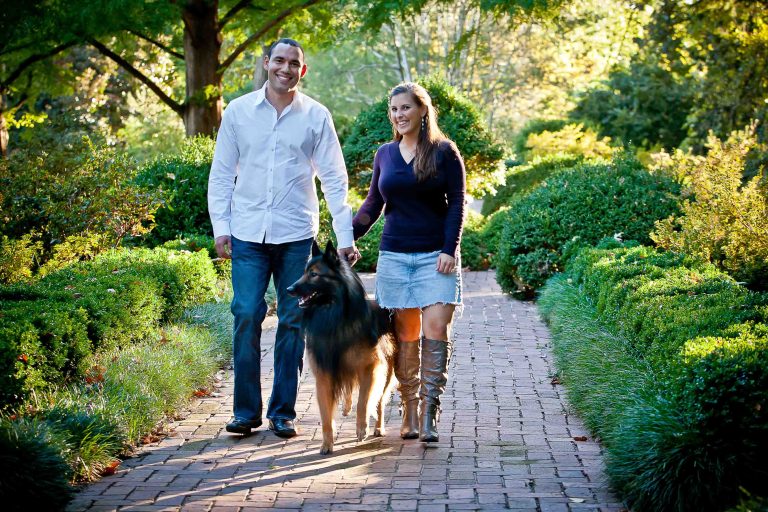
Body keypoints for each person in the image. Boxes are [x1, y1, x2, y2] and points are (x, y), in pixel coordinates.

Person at [208, 38, 359, 438]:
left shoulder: (316, 116)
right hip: (247, 234)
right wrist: (220, 226)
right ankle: (245, 412)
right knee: (245, 314)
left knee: (292, 320)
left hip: (295, 234)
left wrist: (344, 238)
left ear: (302, 71)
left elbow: (334, 180)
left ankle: (282, 412)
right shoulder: (239, 113)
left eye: (294, 63)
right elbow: (222, 173)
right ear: (266, 64)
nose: (286, 68)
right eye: (279, 60)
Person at [352, 82, 466, 443]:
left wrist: (450, 248)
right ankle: (410, 408)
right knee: (405, 336)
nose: (399, 115)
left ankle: (431, 410)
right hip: (395, 257)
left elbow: (458, 202)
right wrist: (346, 238)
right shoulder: (385, 154)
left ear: (422, 111)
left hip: (437, 257)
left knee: (436, 331)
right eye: (394, 109)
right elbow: (373, 204)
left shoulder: (445, 152)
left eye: (406, 108)